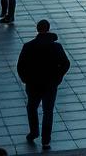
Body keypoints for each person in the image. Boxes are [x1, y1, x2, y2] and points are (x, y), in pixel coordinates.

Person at [18, 19, 72, 149]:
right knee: (48, 111)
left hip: (33, 84)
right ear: (48, 29)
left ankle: (34, 132)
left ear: (37, 29)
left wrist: (26, 79)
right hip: (50, 85)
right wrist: (57, 78)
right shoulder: (56, 46)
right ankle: (46, 140)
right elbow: (66, 63)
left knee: (32, 108)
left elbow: (21, 66)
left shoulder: (28, 46)